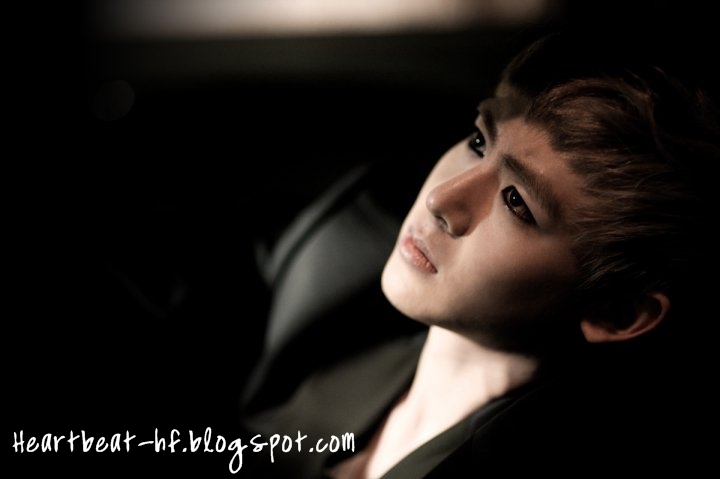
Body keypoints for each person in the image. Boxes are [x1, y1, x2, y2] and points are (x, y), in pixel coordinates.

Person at [237, 28, 719, 478]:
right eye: (477, 141)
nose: (440, 199)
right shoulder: (337, 256)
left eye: (516, 202)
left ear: (616, 311)